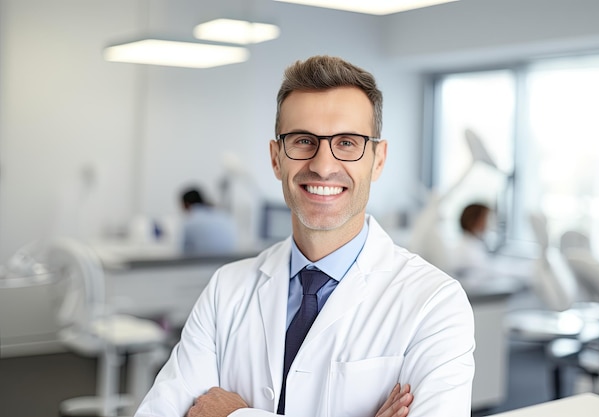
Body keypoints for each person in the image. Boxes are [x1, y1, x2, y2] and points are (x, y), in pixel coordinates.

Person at [135, 55, 475, 417]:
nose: (323, 166)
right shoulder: (227, 290)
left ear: (378, 159)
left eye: (347, 142)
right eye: (302, 141)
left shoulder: (435, 303)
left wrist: (235, 415)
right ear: (276, 158)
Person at [179, 187, 238, 256]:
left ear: (186, 204)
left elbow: (184, 252)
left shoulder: (190, 222)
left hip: (202, 264)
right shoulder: (224, 215)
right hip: (228, 261)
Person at [449, 202, 492, 279]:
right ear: (473, 221)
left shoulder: (474, 243)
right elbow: (486, 269)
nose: (488, 224)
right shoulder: (465, 249)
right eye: (485, 219)